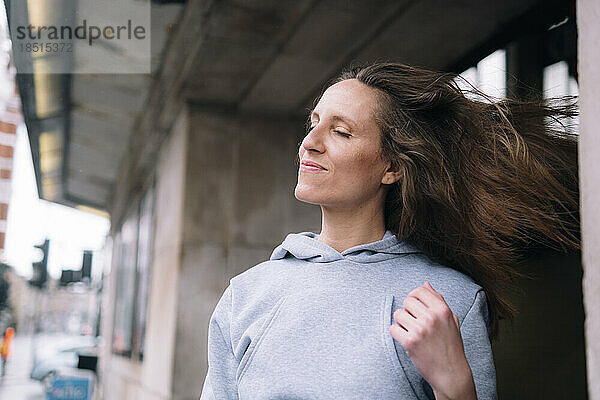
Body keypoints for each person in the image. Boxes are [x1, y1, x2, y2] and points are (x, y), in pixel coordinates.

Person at [199, 63, 579, 400]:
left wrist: (455, 387)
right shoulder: (246, 295)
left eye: (341, 132)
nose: (309, 144)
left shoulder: (449, 301)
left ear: (391, 168)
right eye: (313, 124)